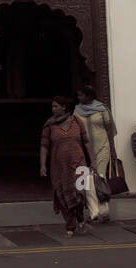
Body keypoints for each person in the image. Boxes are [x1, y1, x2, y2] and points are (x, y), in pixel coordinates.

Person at [40, 95, 92, 237]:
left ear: (64, 107)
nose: (53, 109)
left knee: (79, 193)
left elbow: (86, 141)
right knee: (63, 194)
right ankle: (70, 224)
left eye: (56, 106)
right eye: (52, 106)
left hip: (79, 163)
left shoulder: (77, 121)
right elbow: (44, 146)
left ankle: (80, 216)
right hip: (59, 166)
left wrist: (92, 159)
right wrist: (42, 164)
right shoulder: (49, 125)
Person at [74, 85, 117, 223]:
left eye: (81, 95)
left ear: (89, 96)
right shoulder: (77, 110)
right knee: (88, 180)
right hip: (85, 149)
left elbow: (110, 130)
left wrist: (113, 149)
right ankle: (94, 211)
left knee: (100, 178)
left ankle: (104, 210)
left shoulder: (102, 109)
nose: (79, 98)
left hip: (102, 146)